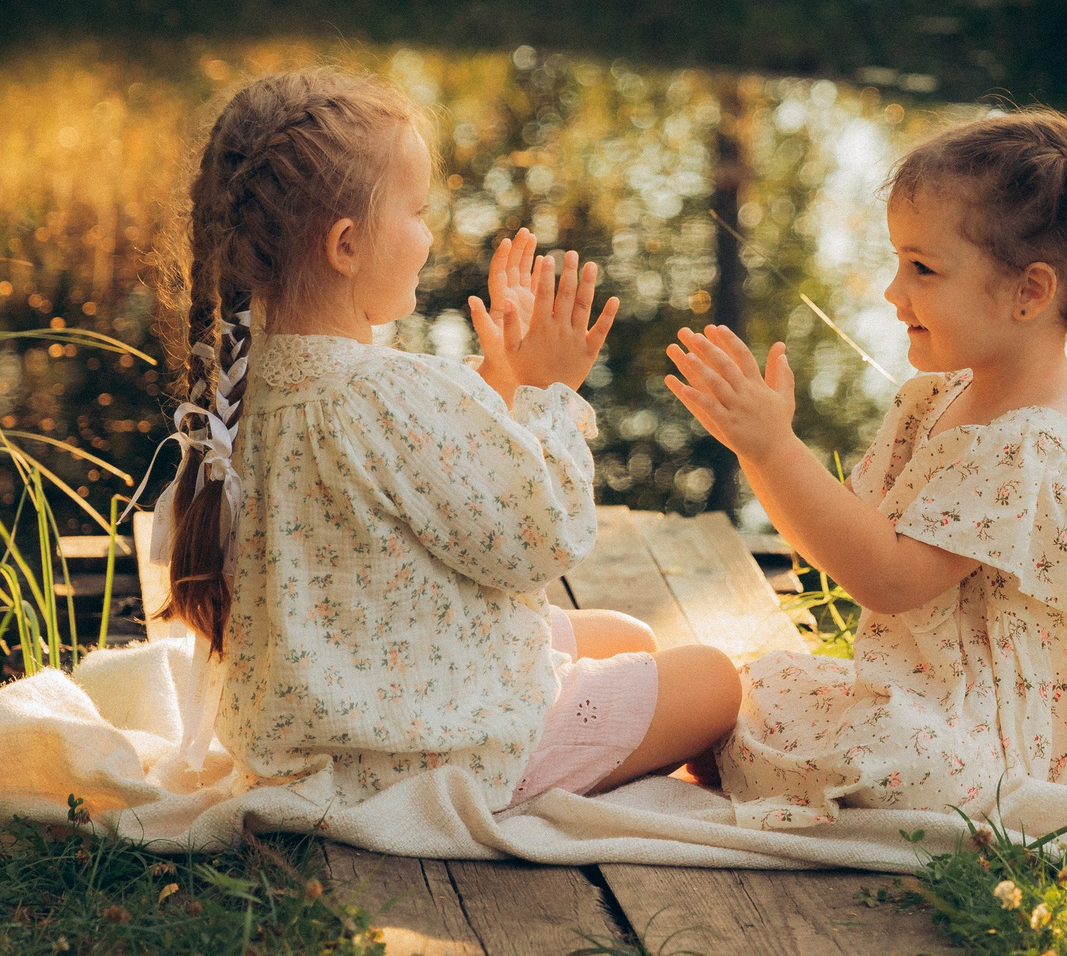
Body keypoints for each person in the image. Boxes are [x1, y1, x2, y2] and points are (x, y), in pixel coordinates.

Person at [152, 67, 743, 809]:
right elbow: (539, 542)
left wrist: (497, 376)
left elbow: (424, 476)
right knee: (715, 679)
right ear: (345, 244)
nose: (431, 234)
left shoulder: (237, 391)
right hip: (436, 752)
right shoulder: (390, 394)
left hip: (314, 733)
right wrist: (545, 394)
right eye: (419, 210)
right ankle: (571, 763)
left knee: (625, 633)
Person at [663, 107, 1067, 828]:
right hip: (934, 690)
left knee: (837, 735)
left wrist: (772, 448)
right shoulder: (942, 398)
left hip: (996, 742)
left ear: (1029, 293)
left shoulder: (1030, 444)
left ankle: (588, 743)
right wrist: (763, 451)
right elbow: (847, 536)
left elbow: (889, 578)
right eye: (898, 262)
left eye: (923, 269)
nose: (892, 292)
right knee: (760, 686)